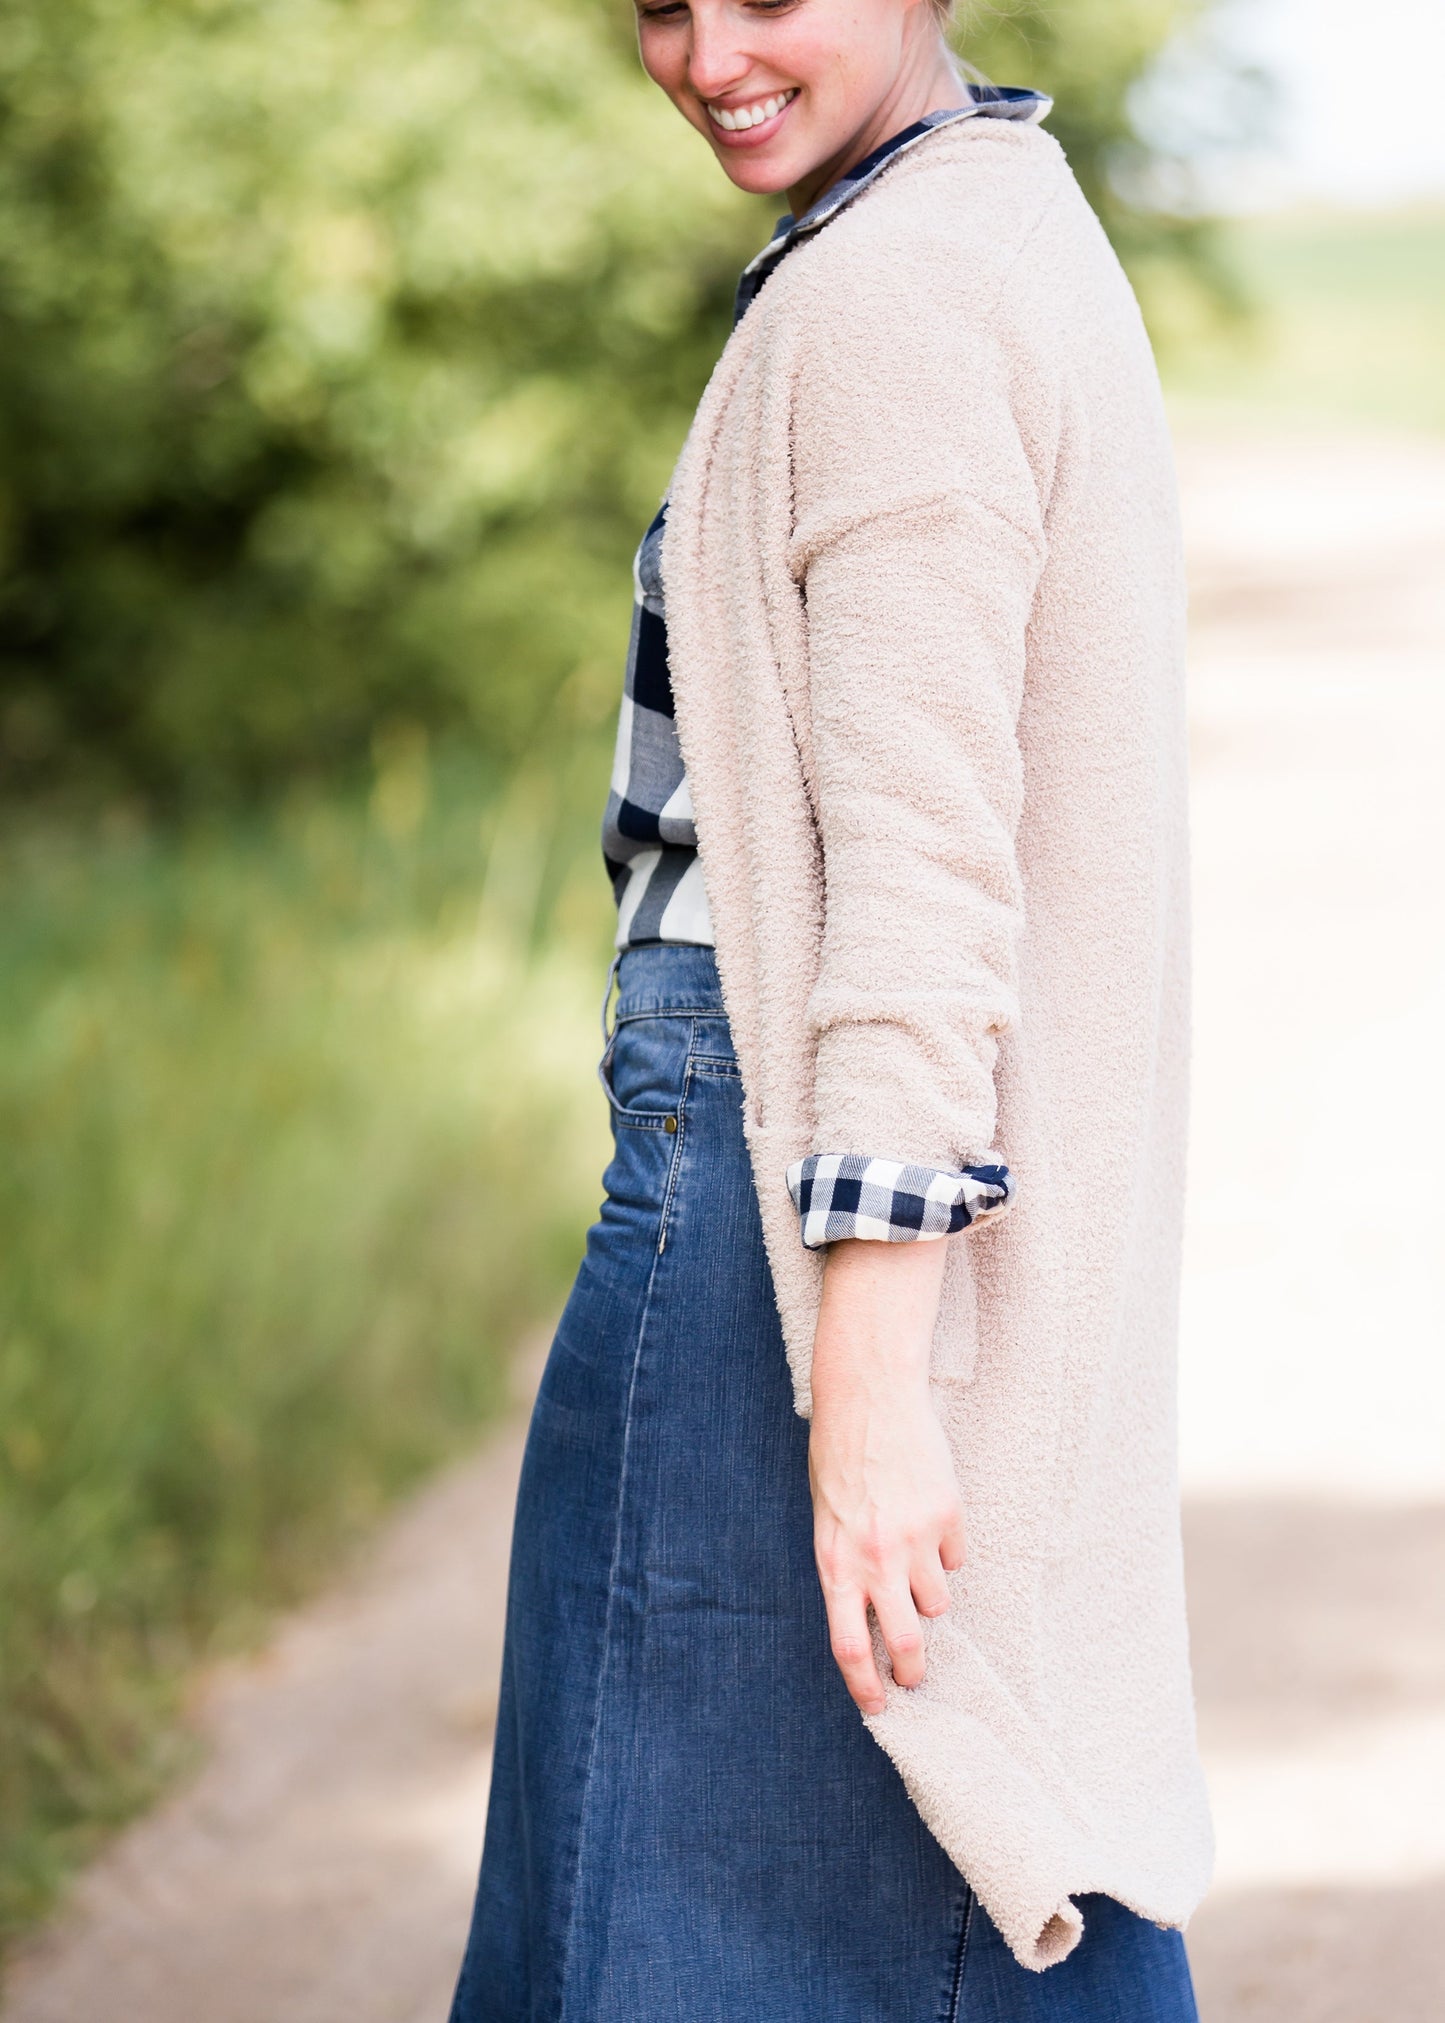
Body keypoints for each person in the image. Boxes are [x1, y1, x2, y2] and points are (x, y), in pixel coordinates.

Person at [448, 0, 1213, 2016]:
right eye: (661, 4)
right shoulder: (1002, 220)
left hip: (773, 1220)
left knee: (683, 1914)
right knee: (951, 1836)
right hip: (814, 1188)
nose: (707, 55)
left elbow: (921, 866)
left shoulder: (897, 296)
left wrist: (866, 1382)